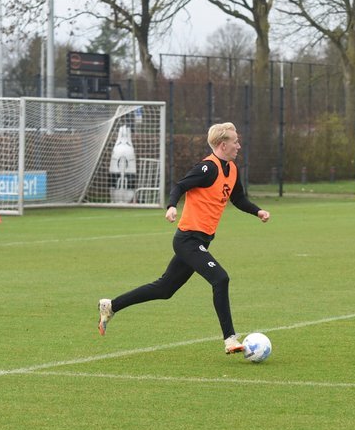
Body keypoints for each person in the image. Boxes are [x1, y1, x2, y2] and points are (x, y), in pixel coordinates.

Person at [97, 122, 271, 354]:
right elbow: (179, 186)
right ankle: (230, 339)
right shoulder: (207, 169)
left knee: (165, 289)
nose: (239, 146)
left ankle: (111, 306)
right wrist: (171, 206)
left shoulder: (232, 169)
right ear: (223, 145)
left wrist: (257, 211)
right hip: (188, 240)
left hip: (201, 241)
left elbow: (238, 199)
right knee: (220, 279)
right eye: (235, 142)